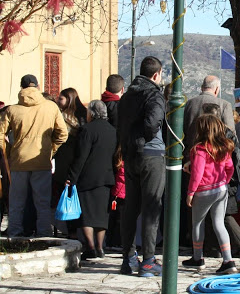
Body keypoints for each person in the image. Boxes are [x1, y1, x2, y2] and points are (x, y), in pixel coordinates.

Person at [0, 74, 68, 237]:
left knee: (17, 202)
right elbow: (62, 134)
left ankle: (15, 233)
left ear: (21, 88)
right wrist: (50, 150)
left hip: (19, 161)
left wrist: (10, 151)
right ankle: (44, 234)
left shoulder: (12, 110)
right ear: (38, 87)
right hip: (41, 160)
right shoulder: (51, 107)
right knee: (42, 202)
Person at [118, 56, 166, 277]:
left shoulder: (127, 95)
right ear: (156, 75)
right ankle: (148, 261)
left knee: (131, 208)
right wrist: (145, 136)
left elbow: (120, 124)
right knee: (151, 207)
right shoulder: (154, 94)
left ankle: (128, 258)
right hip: (151, 154)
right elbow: (152, 124)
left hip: (130, 155)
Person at [182, 114, 238, 274]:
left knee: (197, 223)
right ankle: (228, 260)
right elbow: (229, 168)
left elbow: (197, 173)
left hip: (203, 191)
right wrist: (224, 182)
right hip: (221, 189)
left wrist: (190, 192)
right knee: (219, 224)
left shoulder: (199, 149)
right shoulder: (224, 147)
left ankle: (197, 258)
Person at [199, 103, 240, 258]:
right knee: (215, 214)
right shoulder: (227, 132)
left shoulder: (216, 134)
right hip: (226, 179)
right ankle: (213, 247)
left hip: (222, 180)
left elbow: (233, 160)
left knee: (224, 214)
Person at [66, 100, 117, 260]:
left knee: (87, 215)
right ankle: (101, 247)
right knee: (101, 215)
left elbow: (81, 157)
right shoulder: (112, 130)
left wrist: (72, 177)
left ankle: (90, 247)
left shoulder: (87, 130)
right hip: (107, 177)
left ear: (92, 113)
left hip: (87, 178)